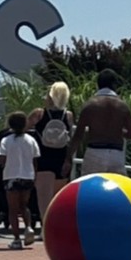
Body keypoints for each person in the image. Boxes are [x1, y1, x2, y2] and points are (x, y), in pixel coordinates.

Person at [29, 80, 78, 220]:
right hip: (61, 158)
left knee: (44, 200)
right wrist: (68, 160)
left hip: (43, 158)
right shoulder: (68, 115)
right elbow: (70, 138)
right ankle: (55, 227)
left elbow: (23, 128)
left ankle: (45, 227)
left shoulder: (39, 114)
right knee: (57, 200)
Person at [75, 71, 131, 176]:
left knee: (90, 184)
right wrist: (119, 132)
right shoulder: (122, 106)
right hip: (116, 153)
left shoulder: (89, 106)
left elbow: (78, 135)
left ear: (98, 84)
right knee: (116, 184)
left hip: (94, 151)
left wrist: (68, 158)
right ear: (114, 85)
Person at [0, 111, 41, 249]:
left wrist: (3, 166)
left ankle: (16, 239)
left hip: (11, 175)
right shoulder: (31, 140)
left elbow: (2, 159)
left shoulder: (6, 140)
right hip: (28, 176)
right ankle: (28, 227)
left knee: (13, 209)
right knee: (24, 205)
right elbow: (35, 159)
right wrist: (34, 175)